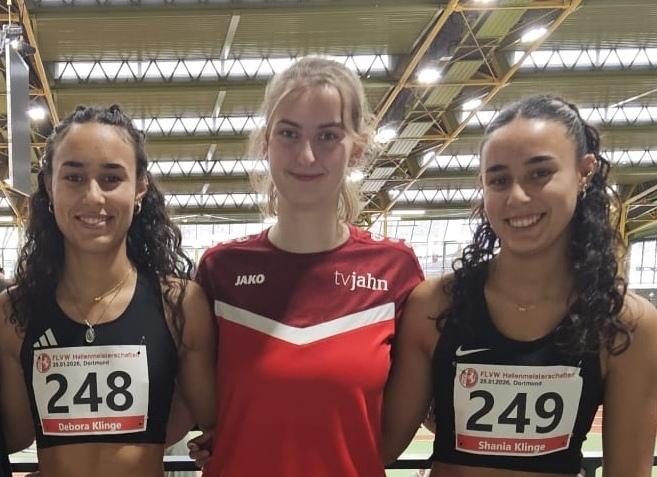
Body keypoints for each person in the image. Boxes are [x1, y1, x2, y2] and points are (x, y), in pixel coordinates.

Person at [382, 94, 657, 476]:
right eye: (499, 180)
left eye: (539, 173)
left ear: (584, 172)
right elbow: (377, 446)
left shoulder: (626, 324)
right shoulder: (434, 305)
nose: (517, 196)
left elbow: (628, 471)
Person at [191, 57, 424, 477]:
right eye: (288, 133)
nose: (306, 154)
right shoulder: (219, 270)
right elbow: (201, 408)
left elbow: (386, 441)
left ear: (357, 149)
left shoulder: (395, 270)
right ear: (266, 142)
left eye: (328, 136)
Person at [0, 105, 216, 477]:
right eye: (74, 177)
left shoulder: (180, 305)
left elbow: (213, 422)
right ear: (49, 185)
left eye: (111, 178)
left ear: (141, 186)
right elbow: (17, 435)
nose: (93, 197)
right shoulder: (13, 313)